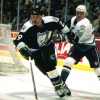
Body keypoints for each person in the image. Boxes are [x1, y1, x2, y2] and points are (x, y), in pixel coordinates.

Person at [14, 5, 71, 98]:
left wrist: (68, 33)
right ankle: (61, 84)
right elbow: (18, 41)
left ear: (42, 16)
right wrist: (23, 49)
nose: (34, 19)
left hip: (47, 46)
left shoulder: (50, 20)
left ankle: (57, 86)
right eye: (33, 16)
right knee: (46, 70)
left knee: (50, 65)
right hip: (35, 51)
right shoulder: (27, 26)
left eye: (37, 16)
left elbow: (60, 23)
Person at [61, 5, 100, 85]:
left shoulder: (84, 24)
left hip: (89, 47)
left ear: (85, 14)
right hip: (78, 46)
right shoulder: (73, 19)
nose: (79, 15)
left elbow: (74, 39)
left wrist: (61, 38)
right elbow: (71, 32)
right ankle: (61, 84)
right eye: (77, 13)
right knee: (68, 62)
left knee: (97, 69)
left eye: (81, 13)